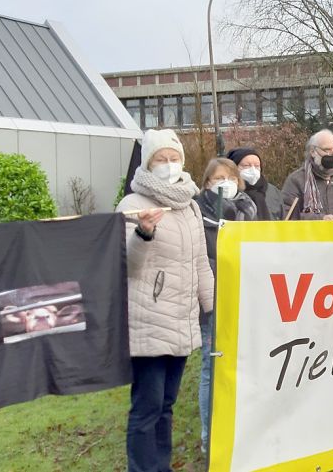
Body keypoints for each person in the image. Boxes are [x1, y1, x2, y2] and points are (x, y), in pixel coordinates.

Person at [115, 129, 214, 472]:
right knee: (147, 406)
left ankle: (161, 466)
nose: (169, 165)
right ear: (148, 163)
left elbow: (201, 261)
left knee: (167, 404)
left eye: (174, 159)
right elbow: (127, 265)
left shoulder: (190, 206)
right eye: (162, 159)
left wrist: (214, 307)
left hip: (182, 321)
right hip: (148, 321)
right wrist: (144, 232)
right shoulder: (132, 206)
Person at [192, 157, 252, 452]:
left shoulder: (248, 209)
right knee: (211, 367)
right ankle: (209, 436)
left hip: (246, 295)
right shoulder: (196, 213)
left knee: (243, 365)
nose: (223, 183)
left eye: (229, 177)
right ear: (206, 183)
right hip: (213, 298)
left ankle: (240, 429)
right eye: (217, 178)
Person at [227, 147, 285, 220]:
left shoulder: (273, 192)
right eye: (246, 166)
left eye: (257, 165)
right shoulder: (227, 191)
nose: (253, 169)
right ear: (234, 167)